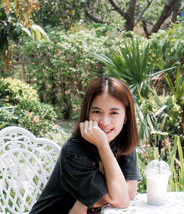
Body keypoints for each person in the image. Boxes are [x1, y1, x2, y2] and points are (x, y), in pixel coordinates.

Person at [29, 76, 142, 214]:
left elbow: (129, 193)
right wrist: (103, 145)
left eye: (114, 113)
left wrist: (84, 201)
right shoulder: (74, 151)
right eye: (97, 112)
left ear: (126, 117)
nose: (104, 121)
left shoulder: (123, 142)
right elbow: (121, 200)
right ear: (87, 114)